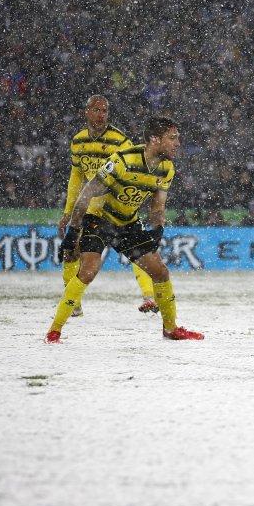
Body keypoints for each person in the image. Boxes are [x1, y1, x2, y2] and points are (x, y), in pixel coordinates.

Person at [47, 117, 203, 343]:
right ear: (154, 139)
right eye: (172, 138)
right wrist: (73, 230)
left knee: (160, 272)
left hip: (127, 224)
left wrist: (157, 230)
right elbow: (87, 193)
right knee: (89, 271)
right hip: (98, 219)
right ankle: (54, 330)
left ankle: (171, 329)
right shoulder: (122, 161)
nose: (178, 143)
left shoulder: (166, 168)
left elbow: (158, 206)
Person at [57, 94, 158, 317]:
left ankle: (149, 296)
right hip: (89, 206)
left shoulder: (120, 141)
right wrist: (68, 211)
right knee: (71, 252)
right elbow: (76, 177)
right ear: (86, 112)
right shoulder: (78, 141)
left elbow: (134, 171)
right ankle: (73, 303)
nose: (101, 115)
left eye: (104, 111)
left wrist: (130, 202)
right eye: (96, 110)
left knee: (138, 251)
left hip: (115, 206)